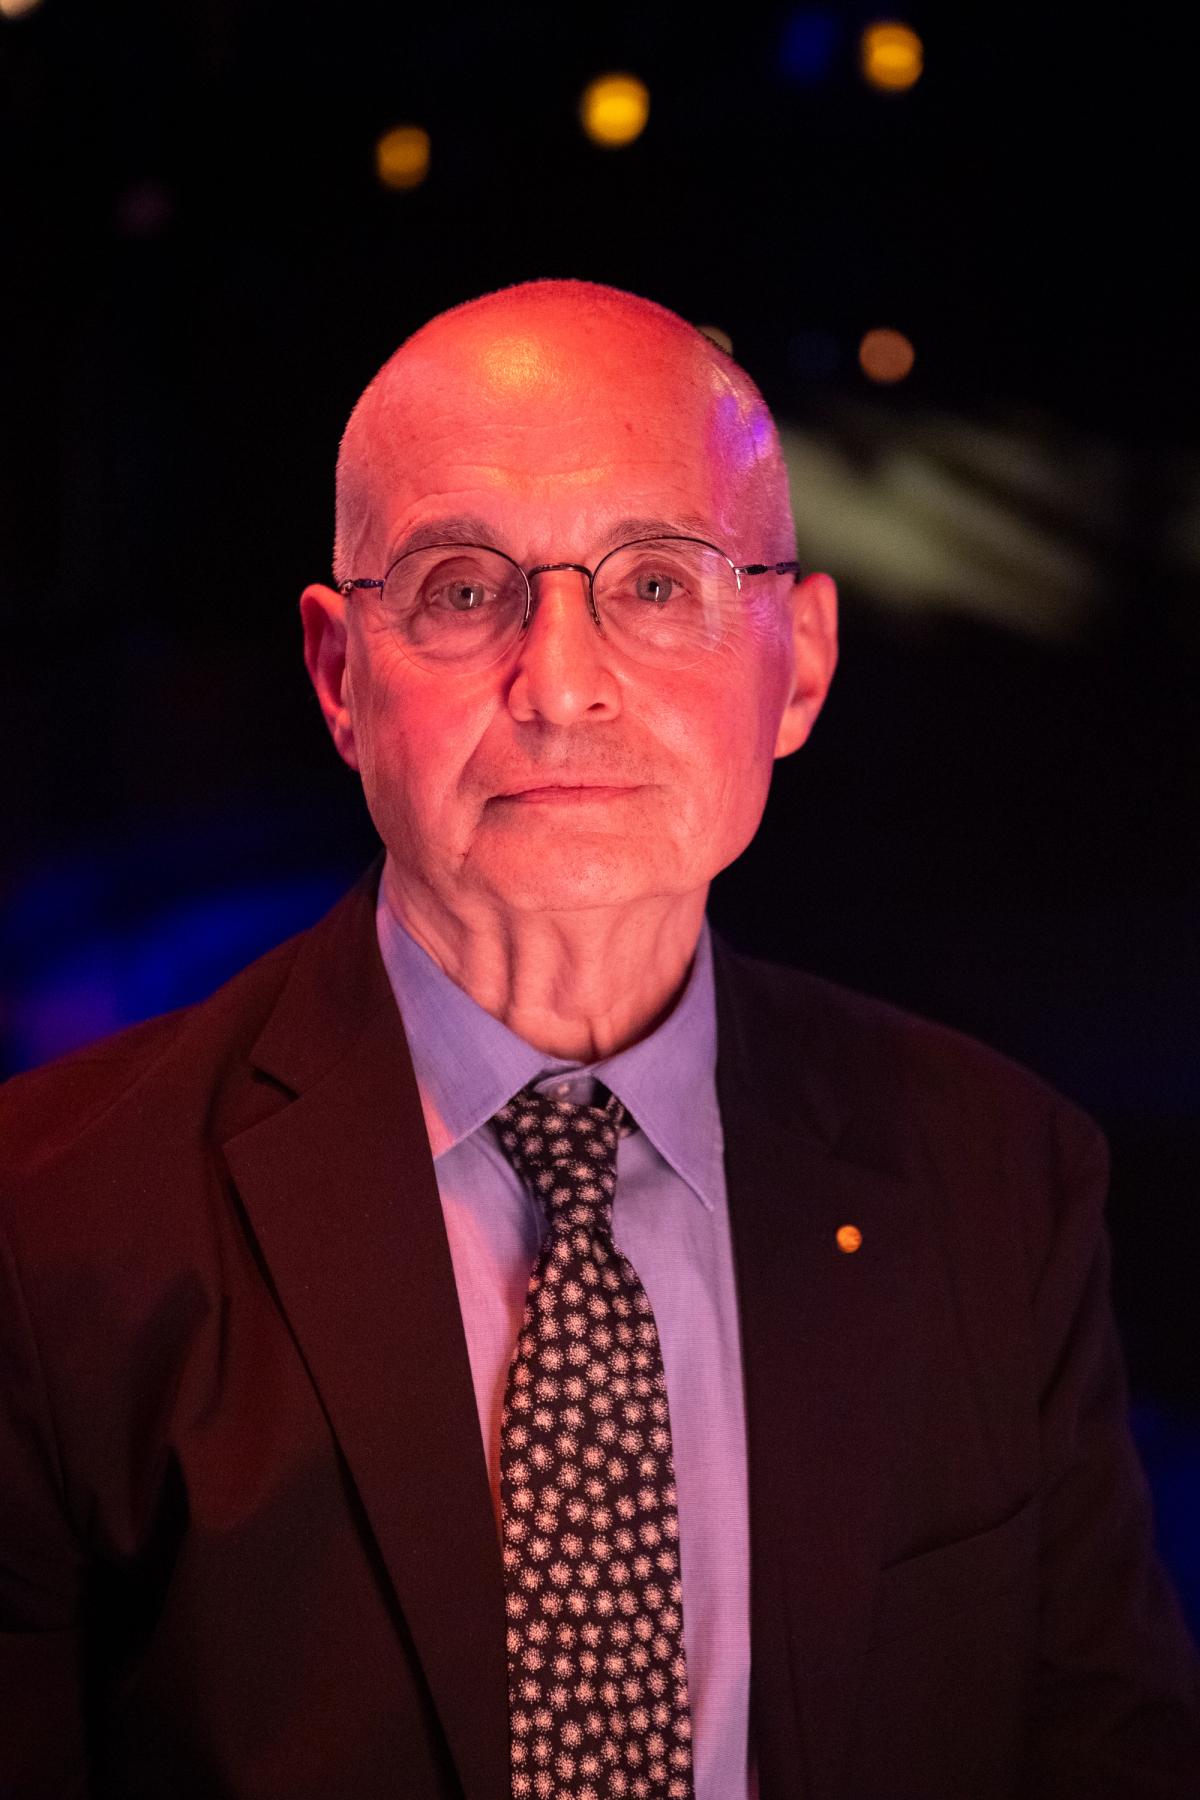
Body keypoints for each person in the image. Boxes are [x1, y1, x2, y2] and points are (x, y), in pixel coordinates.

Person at [1, 279, 1197, 1800]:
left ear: (802, 664)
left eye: (652, 583)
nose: (560, 684)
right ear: (338, 676)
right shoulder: (47, 1229)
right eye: (459, 587)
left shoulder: (1001, 1179)